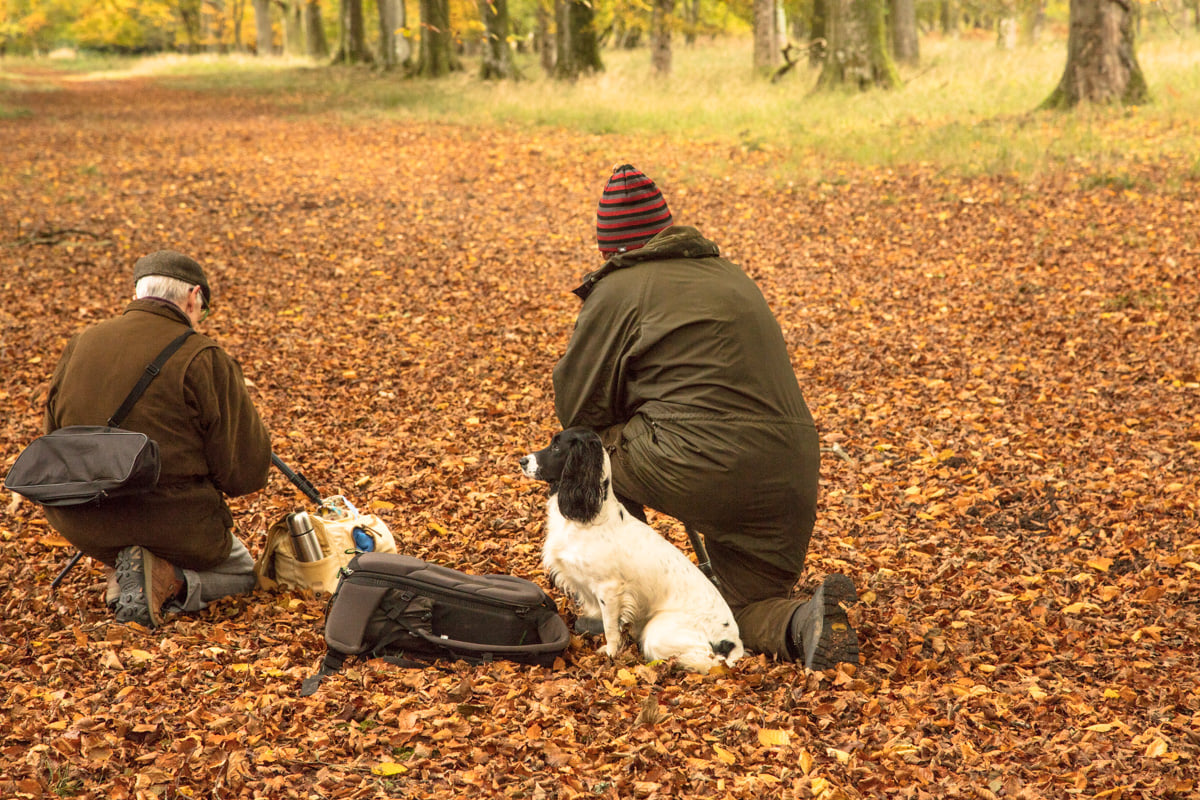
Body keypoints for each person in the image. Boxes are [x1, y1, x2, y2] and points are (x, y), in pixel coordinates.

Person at [552, 164, 860, 670]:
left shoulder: (619, 288)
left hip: (695, 463)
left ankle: (600, 611)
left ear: (613, 249)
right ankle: (803, 623)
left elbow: (578, 407)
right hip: (790, 472)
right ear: (667, 231)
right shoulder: (730, 274)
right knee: (738, 607)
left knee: (585, 450)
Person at [42, 250, 271, 628]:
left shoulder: (80, 343)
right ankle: (170, 580)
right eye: (204, 310)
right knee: (246, 574)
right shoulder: (203, 357)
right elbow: (244, 475)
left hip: (79, 515)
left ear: (137, 293)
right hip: (172, 524)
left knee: (136, 537)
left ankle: (128, 572)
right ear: (194, 297)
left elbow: (53, 437)